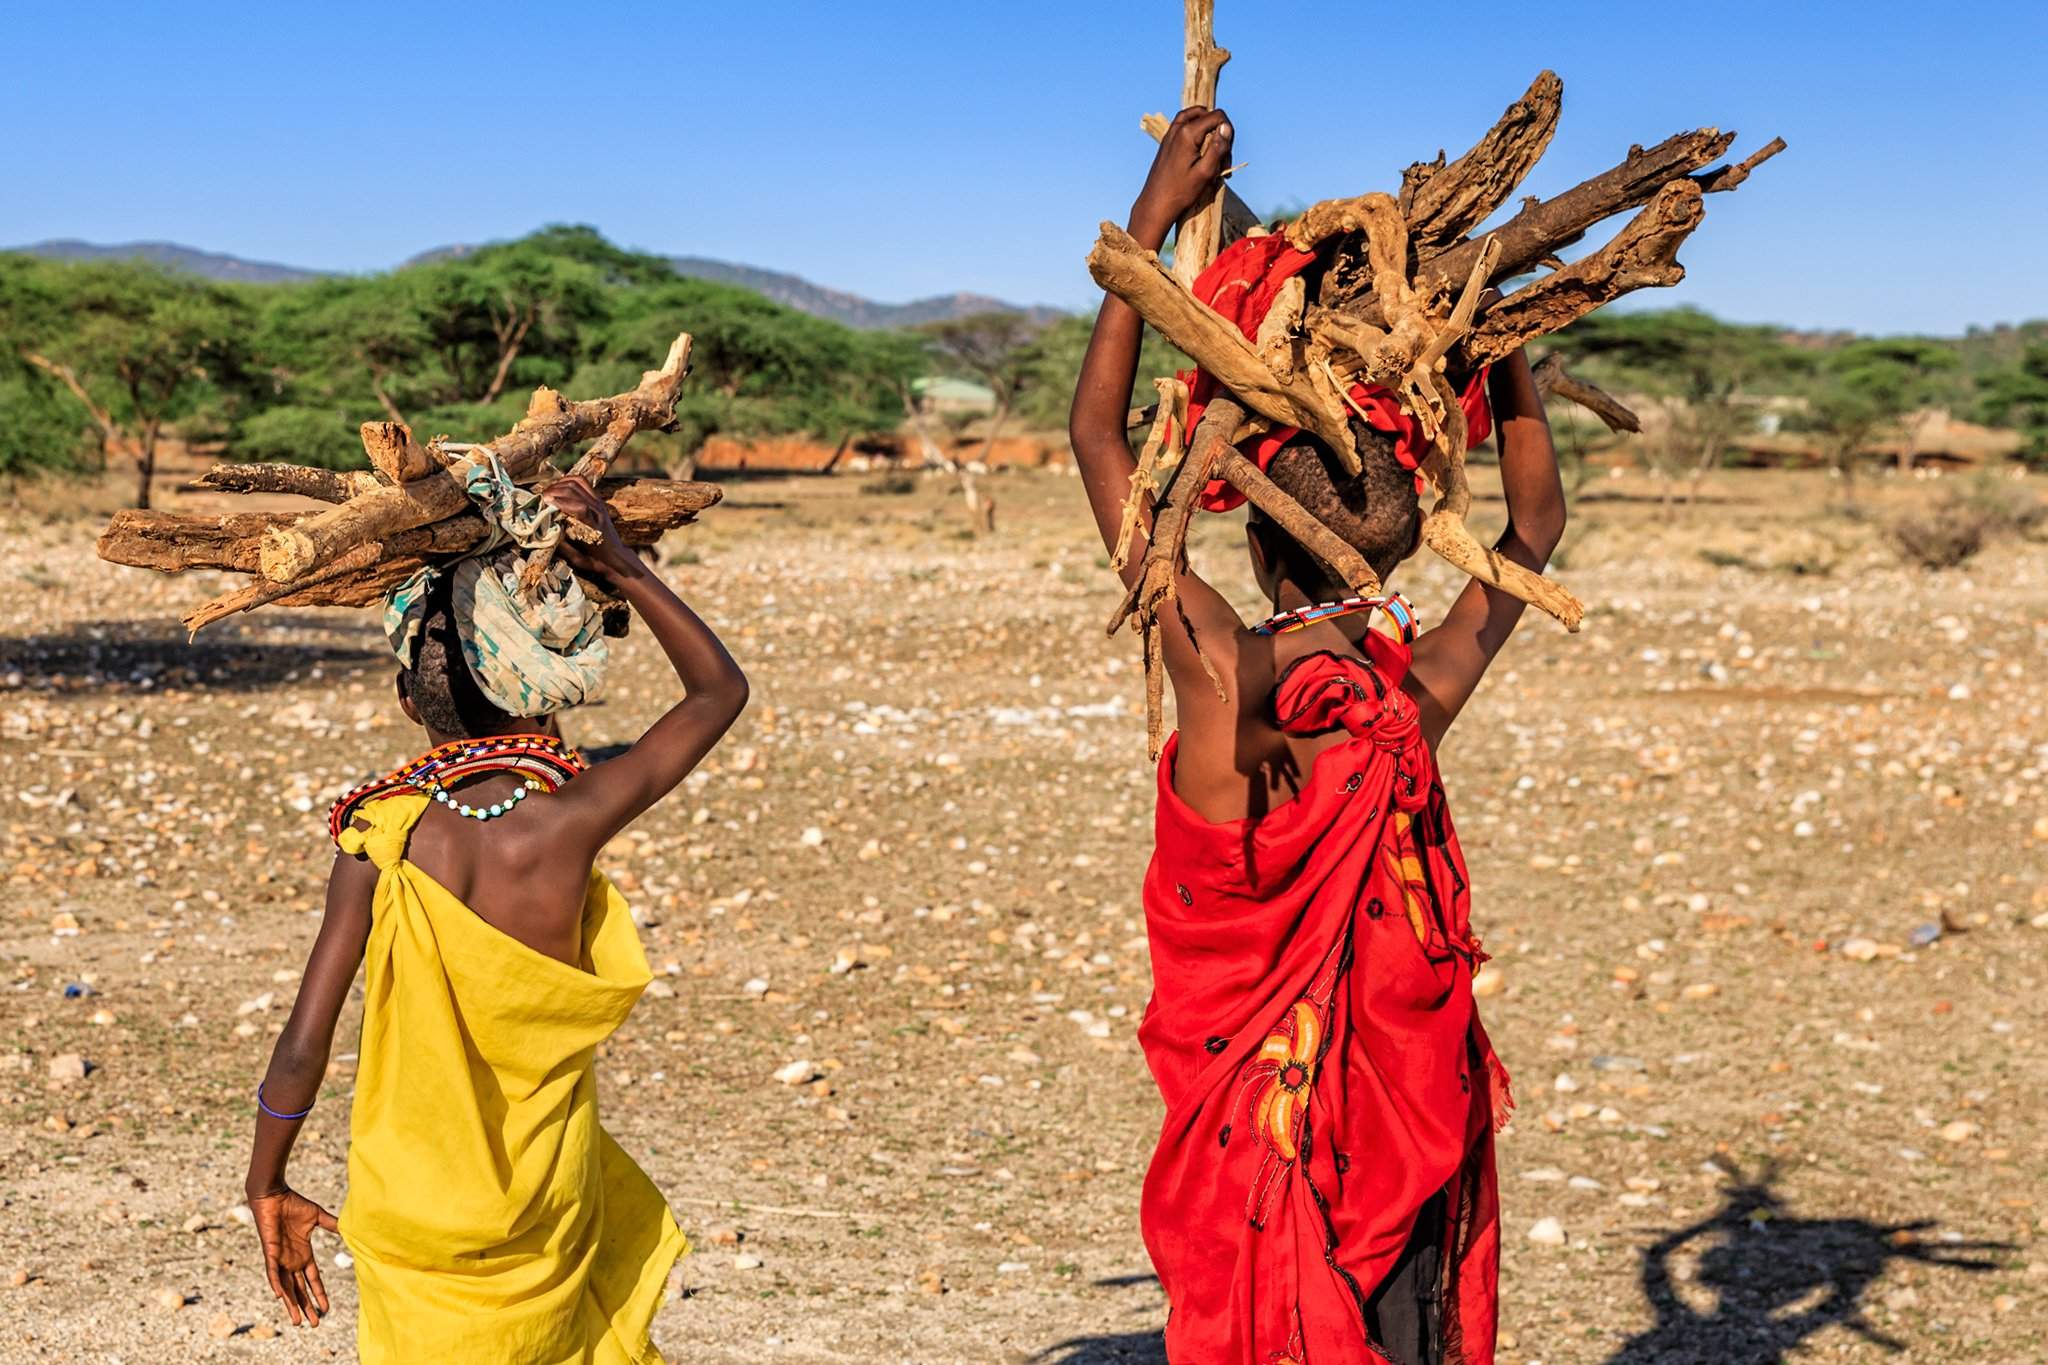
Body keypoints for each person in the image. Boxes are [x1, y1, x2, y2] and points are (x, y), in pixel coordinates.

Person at [1068, 108, 1568, 1365]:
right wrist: (1485, 339)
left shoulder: (1219, 691)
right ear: (1411, 531)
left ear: (1240, 533)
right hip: (1402, 1128)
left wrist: (1147, 218)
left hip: (1262, 1143)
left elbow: (1092, 439)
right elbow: (1533, 530)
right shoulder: (1412, 698)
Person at [241, 476, 747, 1362]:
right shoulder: (571, 816)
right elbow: (716, 693)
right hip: (545, 1203)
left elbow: (300, 1043)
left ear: (408, 700)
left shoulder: (379, 833)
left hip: (411, 1207)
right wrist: (622, 565)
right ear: (540, 686)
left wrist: (266, 1182)